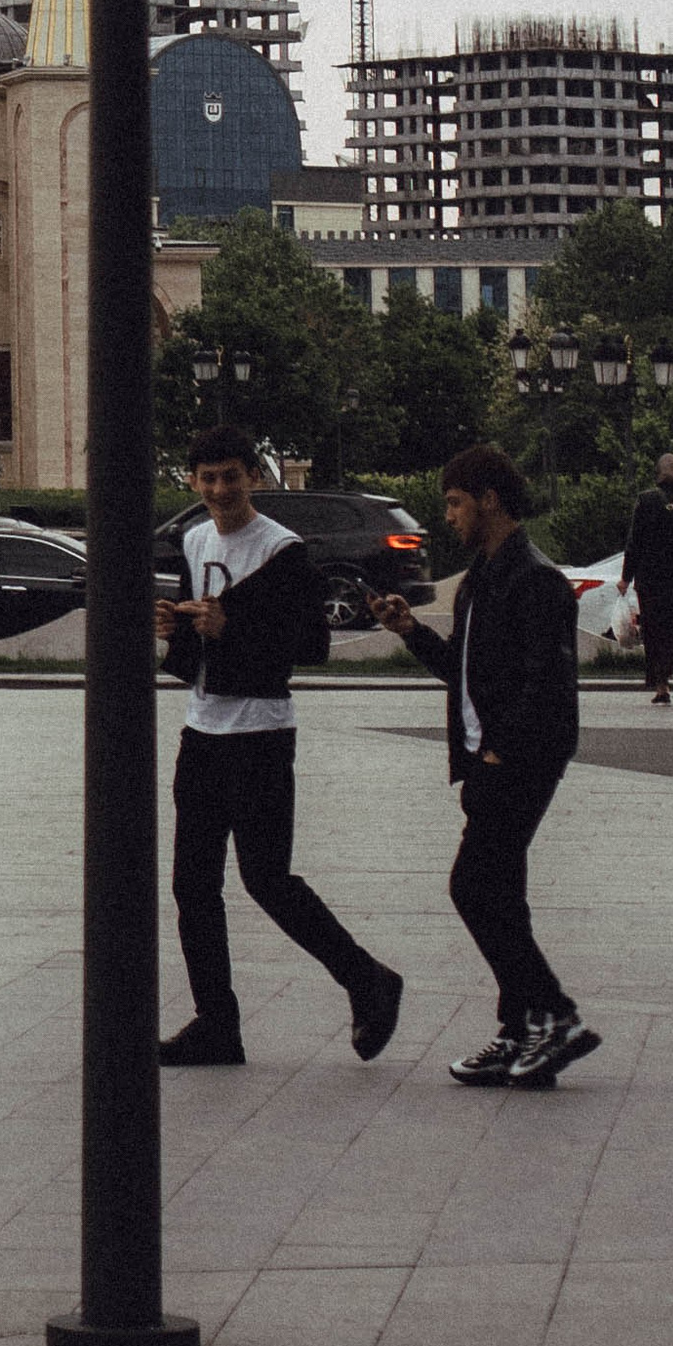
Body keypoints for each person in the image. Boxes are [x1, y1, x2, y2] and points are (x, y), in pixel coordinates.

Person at [154, 431, 403, 1070]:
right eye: (206, 478)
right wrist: (175, 630)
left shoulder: (282, 551)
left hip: (261, 733)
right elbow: (196, 653)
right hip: (202, 730)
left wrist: (230, 628)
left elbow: (311, 646)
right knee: (192, 886)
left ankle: (367, 978)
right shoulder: (195, 541)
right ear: (192, 482)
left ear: (254, 478)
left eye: (230, 476)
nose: (219, 490)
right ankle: (217, 1023)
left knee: (267, 879)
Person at [372, 440, 593, 1087]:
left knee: (473, 888)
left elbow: (545, 685)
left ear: (490, 499)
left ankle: (557, 1015)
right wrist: (411, 631)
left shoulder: (535, 581)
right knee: (503, 897)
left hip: (522, 760)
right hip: (489, 760)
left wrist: (500, 749)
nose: (449, 516)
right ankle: (521, 1031)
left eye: (456, 502)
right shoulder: (479, 581)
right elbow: (464, 677)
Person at [620, 451, 673, 706]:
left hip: (651, 582)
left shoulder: (645, 501)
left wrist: (626, 577)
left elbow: (634, 543)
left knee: (655, 632)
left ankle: (661, 685)